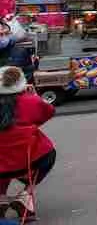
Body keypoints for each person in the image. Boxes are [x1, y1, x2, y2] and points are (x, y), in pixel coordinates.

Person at [0, 66, 56, 220]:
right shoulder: (31, 101)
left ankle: (1, 198)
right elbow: (48, 113)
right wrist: (35, 96)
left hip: (2, 166)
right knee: (49, 152)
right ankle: (25, 194)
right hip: (27, 161)